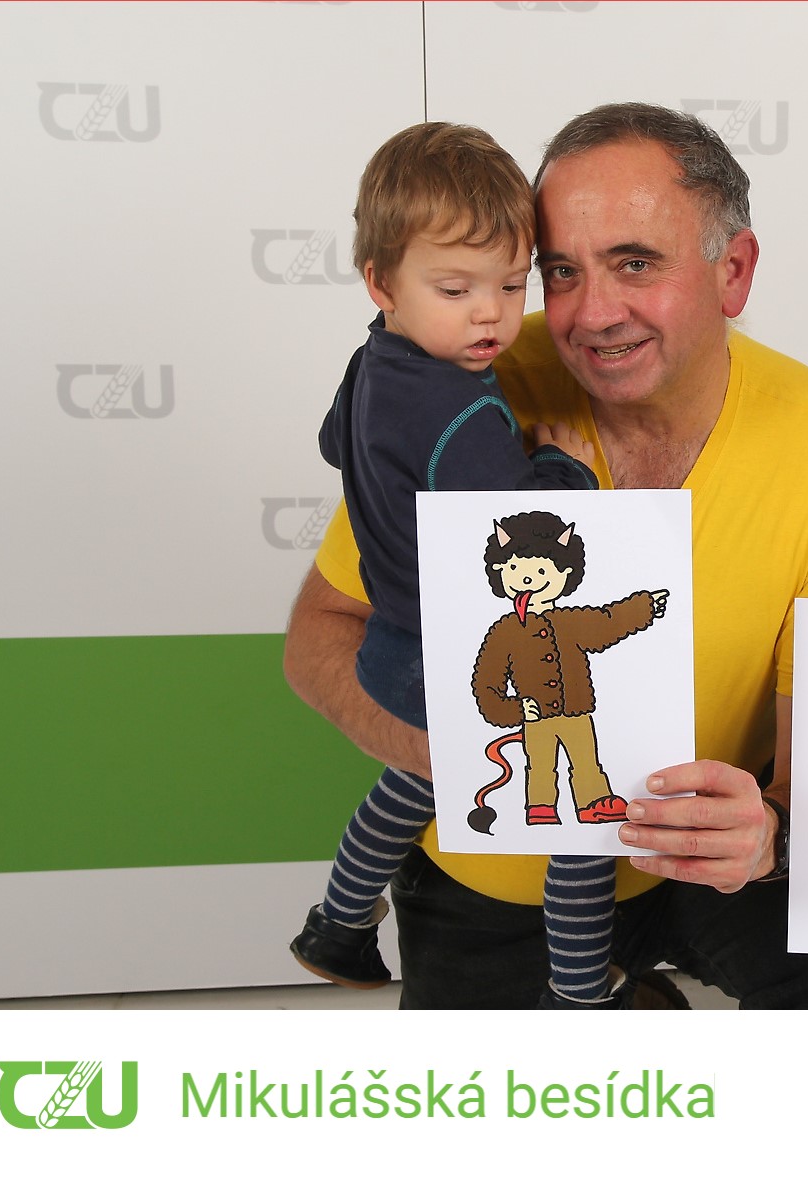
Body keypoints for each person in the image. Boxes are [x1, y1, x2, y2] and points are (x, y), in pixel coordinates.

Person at [284, 103, 808, 1009]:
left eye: (635, 264)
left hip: (708, 855)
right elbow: (318, 637)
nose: (591, 313)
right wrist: (457, 755)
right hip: (498, 866)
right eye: (560, 272)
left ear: (733, 271)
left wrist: (768, 834)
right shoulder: (468, 388)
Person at [288, 122, 639, 1009]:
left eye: (513, 285)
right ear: (381, 282)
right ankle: (577, 988)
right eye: (456, 289)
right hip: (450, 652)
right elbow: (518, 534)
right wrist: (561, 468)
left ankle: (338, 921)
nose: (491, 314)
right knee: (580, 813)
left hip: (393, 645)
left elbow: (334, 442)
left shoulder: (372, 362)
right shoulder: (465, 414)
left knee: (419, 777)